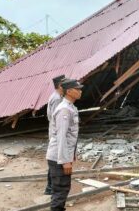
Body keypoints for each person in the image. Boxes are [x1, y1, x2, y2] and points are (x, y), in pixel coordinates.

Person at [46, 79, 83, 211]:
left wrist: (70, 156)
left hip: (60, 156)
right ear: (69, 91)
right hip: (58, 157)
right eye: (77, 89)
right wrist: (65, 161)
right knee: (60, 190)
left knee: (62, 189)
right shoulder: (64, 110)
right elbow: (61, 137)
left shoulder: (70, 107)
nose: (80, 91)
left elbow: (70, 136)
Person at [44, 75, 66, 195]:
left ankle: (50, 187)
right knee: (56, 160)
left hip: (54, 131)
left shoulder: (56, 96)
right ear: (60, 85)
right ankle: (51, 187)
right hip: (57, 133)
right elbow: (58, 118)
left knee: (55, 160)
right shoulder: (57, 98)